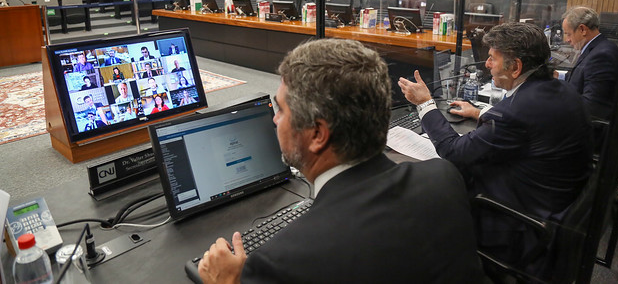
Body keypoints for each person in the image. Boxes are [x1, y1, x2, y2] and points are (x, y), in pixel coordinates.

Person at [198, 39, 485, 284]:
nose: (274, 119)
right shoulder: (442, 176)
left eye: (282, 110)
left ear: (317, 134)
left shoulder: (285, 262)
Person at [398, 22, 594, 279]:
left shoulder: (517, 112)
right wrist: (480, 112)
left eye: (492, 58)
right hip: (558, 198)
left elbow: (453, 151)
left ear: (516, 67)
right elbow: (531, 124)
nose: (487, 64)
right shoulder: (560, 89)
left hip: (520, 216)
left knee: (439, 182)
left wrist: (425, 104)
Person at [561, 6, 618, 120]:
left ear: (582, 29)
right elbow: (583, 77)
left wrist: (557, 105)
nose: (567, 40)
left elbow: (593, 107)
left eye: (568, 34)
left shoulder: (602, 56)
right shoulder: (596, 48)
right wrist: (557, 76)